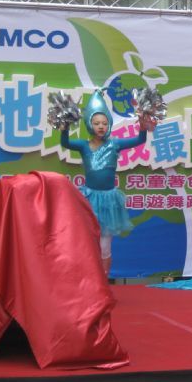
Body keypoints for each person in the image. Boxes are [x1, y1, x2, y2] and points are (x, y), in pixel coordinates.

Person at [60, 89, 147, 276]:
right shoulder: (83, 145)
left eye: (104, 123)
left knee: (105, 244)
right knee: (87, 240)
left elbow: (141, 139)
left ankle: (103, 278)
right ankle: (87, 277)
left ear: (109, 125)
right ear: (89, 124)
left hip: (108, 201)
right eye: (97, 123)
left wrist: (143, 123)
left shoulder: (115, 144)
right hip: (89, 199)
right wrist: (64, 124)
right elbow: (65, 143)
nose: (101, 126)